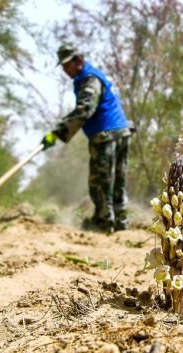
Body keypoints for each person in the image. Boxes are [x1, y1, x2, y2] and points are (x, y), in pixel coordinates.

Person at [42, 44, 131, 233]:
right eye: (63, 66)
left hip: (106, 134)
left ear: (78, 61)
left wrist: (58, 132)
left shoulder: (90, 79)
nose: (65, 70)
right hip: (121, 131)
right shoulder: (95, 75)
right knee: (116, 180)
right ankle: (120, 220)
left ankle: (104, 222)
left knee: (101, 182)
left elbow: (85, 110)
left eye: (67, 65)